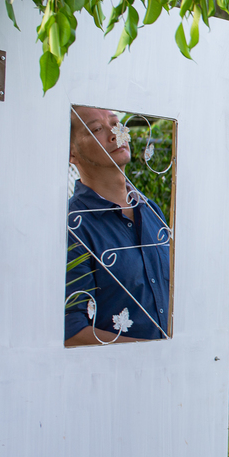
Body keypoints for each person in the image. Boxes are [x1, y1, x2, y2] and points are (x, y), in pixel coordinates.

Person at [65, 106, 171, 346]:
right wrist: (154, 354)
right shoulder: (74, 226)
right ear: (71, 152)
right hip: (109, 377)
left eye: (116, 124)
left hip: (168, 375)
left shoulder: (150, 210)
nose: (114, 134)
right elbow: (71, 331)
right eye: (97, 129)